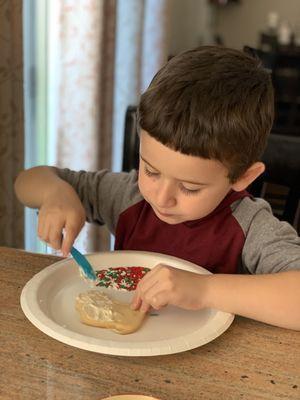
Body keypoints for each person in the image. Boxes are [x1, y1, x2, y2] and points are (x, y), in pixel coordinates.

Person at [15, 46, 300, 330]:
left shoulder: (250, 227)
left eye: (189, 188)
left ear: (243, 177)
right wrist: (55, 192)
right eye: (150, 171)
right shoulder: (128, 197)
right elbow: (28, 181)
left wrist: (204, 290)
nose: (161, 198)